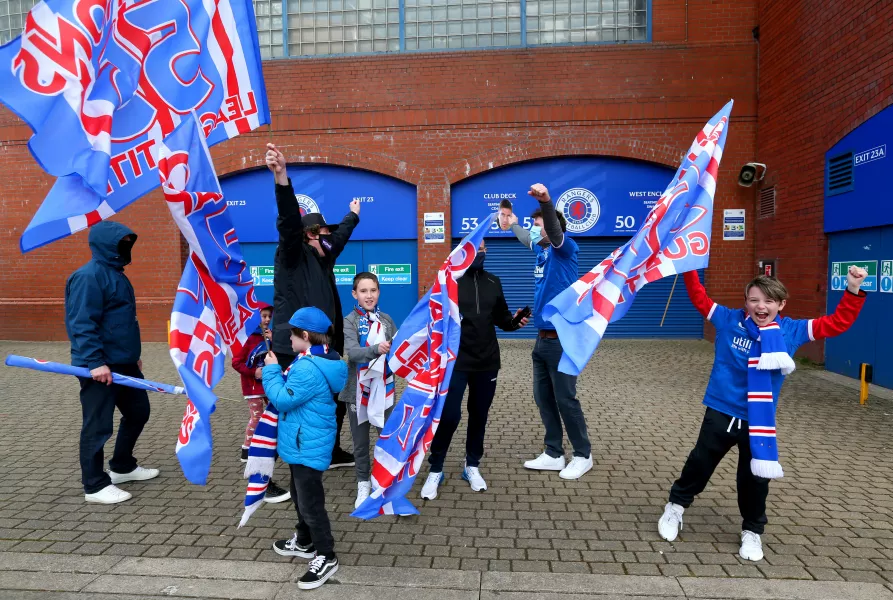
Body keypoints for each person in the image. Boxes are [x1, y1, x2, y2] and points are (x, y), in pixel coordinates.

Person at [657, 266, 868, 562]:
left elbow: (835, 324)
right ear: (746, 302)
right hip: (720, 410)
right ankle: (676, 506)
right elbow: (699, 297)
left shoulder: (790, 330)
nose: (761, 306)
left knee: (754, 478)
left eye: (769, 301)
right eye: (755, 300)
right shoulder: (728, 320)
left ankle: (752, 531)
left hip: (759, 420)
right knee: (700, 463)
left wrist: (853, 289)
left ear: (781, 305)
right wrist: (689, 265)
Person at [266, 143, 359, 472]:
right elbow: (288, 221)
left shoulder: (325, 257)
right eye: (324, 232)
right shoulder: (292, 254)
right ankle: (266, 471)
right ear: (308, 235)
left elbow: (342, 237)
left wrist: (353, 216)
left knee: (330, 404)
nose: (330, 237)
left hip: (322, 345)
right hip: (293, 346)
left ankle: (329, 453)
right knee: (283, 410)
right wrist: (281, 177)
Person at [420, 240, 529, 499]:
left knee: (479, 415)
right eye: (474, 246)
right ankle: (436, 468)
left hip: (487, 361)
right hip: (456, 361)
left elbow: (502, 320)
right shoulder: (449, 281)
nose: (480, 251)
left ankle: (472, 465)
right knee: (448, 416)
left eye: (483, 247)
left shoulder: (494, 281)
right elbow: (434, 319)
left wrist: (516, 322)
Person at [500, 184, 593, 480]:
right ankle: (554, 453)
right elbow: (527, 236)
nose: (534, 229)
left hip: (562, 342)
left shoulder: (564, 250)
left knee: (566, 399)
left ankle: (583, 454)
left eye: (538, 224)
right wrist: (512, 222)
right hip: (541, 341)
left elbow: (552, 232)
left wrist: (547, 202)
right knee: (544, 399)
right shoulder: (540, 252)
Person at [64, 221, 159, 504]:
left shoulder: (116, 273)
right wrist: (95, 361)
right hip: (99, 366)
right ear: (106, 244)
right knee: (97, 425)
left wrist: (132, 355)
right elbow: (81, 323)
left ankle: (121, 466)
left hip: (124, 362)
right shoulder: (88, 276)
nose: (126, 247)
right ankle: (94, 485)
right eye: (121, 243)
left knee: (139, 411)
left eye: (129, 243)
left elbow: (121, 321)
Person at [263, 307, 347, 590]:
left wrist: (272, 370)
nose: (288, 339)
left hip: (307, 443)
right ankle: (304, 540)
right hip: (304, 441)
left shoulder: (308, 367)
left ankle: (326, 554)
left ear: (306, 335)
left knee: (310, 503)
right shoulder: (313, 359)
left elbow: (282, 399)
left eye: (292, 334)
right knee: (299, 494)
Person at [341, 272, 397, 509]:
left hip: (383, 390)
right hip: (357, 391)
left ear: (379, 292)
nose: (369, 295)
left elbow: (397, 350)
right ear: (355, 294)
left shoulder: (386, 320)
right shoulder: (350, 320)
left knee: (387, 438)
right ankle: (363, 482)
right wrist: (376, 349)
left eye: (373, 290)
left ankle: (385, 481)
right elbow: (352, 352)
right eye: (363, 291)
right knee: (361, 442)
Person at [231, 304, 290, 503]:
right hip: (252, 388)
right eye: (263, 316)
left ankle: (264, 442)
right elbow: (237, 362)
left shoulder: (268, 336)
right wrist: (252, 372)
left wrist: (274, 342)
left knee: (269, 416)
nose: (266, 320)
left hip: (267, 385)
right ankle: (247, 448)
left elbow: (273, 357)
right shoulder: (247, 338)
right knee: (256, 417)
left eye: (268, 316)